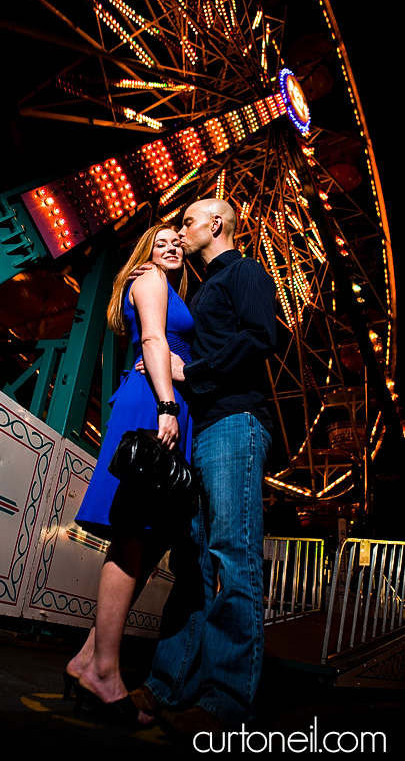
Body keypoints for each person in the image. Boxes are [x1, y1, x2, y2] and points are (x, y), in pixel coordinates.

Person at [130, 198, 277, 735]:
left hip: (235, 421)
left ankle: (226, 703)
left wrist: (193, 372)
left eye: (189, 221)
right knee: (194, 560)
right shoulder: (204, 287)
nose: (183, 229)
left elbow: (264, 335)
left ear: (216, 225)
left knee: (233, 555)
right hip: (205, 428)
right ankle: (166, 685)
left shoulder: (245, 271)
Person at [64, 224, 194, 724]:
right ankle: (105, 670)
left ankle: (87, 659)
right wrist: (165, 404)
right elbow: (154, 338)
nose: (172, 247)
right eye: (161, 242)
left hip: (164, 397)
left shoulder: (169, 286)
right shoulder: (151, 279)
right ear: (145, 252)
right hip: (153, 403)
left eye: (177, 243)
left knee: (148, 536)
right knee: (133, 534)